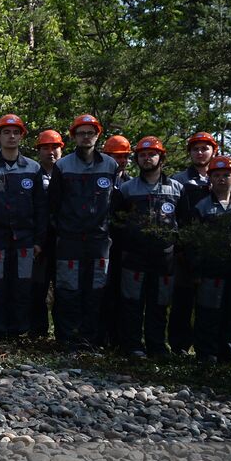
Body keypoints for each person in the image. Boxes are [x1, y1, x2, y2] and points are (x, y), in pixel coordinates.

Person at [47, 115, 122, 352]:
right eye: (81, 133)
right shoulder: (63, 165)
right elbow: (54, 204)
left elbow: (115, 205)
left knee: (96, 289)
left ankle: (92, 338)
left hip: (99, 240)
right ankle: (66, 337)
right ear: (74, 137)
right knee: (68, 289)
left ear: (97, 135)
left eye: (90, 132)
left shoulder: (110, 165)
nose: (86, 137)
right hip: (69, 238)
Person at [0, 114, 48, 337]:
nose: (11, 137)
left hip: (25, 238)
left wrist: (39, 241)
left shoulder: (33, 169)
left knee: (22, 284)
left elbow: (41, 208)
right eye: (6, 132)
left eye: (16, 132)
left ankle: (20, 329)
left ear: (21, 136)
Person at [110, 136, 184, 358]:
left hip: (165, 257)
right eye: (142, 155)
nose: (147, 158)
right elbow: (116, 221)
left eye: (152, 154)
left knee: (159, 305)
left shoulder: (178, 189)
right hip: (134, 256)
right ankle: (132, 345)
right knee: (131, 303)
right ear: (137, 159)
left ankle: (157, 346)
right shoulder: (127, 189)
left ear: (161, 157)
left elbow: (187, 224)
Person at [184, 155, 231, 364]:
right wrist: (195, 270)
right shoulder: (201, 207)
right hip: (210, 271)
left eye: (226, 175)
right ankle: (206, 354)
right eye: (217, 175)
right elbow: (192, 242)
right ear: (210, 179)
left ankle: (229, 354)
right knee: (208, 313)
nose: (222, 179)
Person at [169, 131, 219, 355]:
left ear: (213, 151)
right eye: (195, 149)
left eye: (204, 148)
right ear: (190, 152)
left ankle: (206, 348)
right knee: (182, 299)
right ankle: (179, 346)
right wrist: (179, 246)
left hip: (213, 252)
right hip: (185, 250)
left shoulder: (220, 177)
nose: (200, 153)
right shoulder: (179, 180)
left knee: (209, 303)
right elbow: (173, 216)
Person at [99, 134, 133, 348]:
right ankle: (101, 335)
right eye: (115, 156)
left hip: (124, 247)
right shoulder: (98, 180)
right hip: (100, 242)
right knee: (102, 291)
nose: (120, 161)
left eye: (124, 157)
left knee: (123, 294)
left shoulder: (131, 184)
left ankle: (120, 337)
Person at [30, 129, 64, 338]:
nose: (50, 152)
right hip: (39, 241)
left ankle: (63, 331)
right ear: (38, 151)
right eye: (45, 148)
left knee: (63, 287)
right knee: (37, 286)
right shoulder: (32, 173)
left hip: (64, 240)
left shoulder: (69, 172)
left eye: (55, 147)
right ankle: (37, 330)